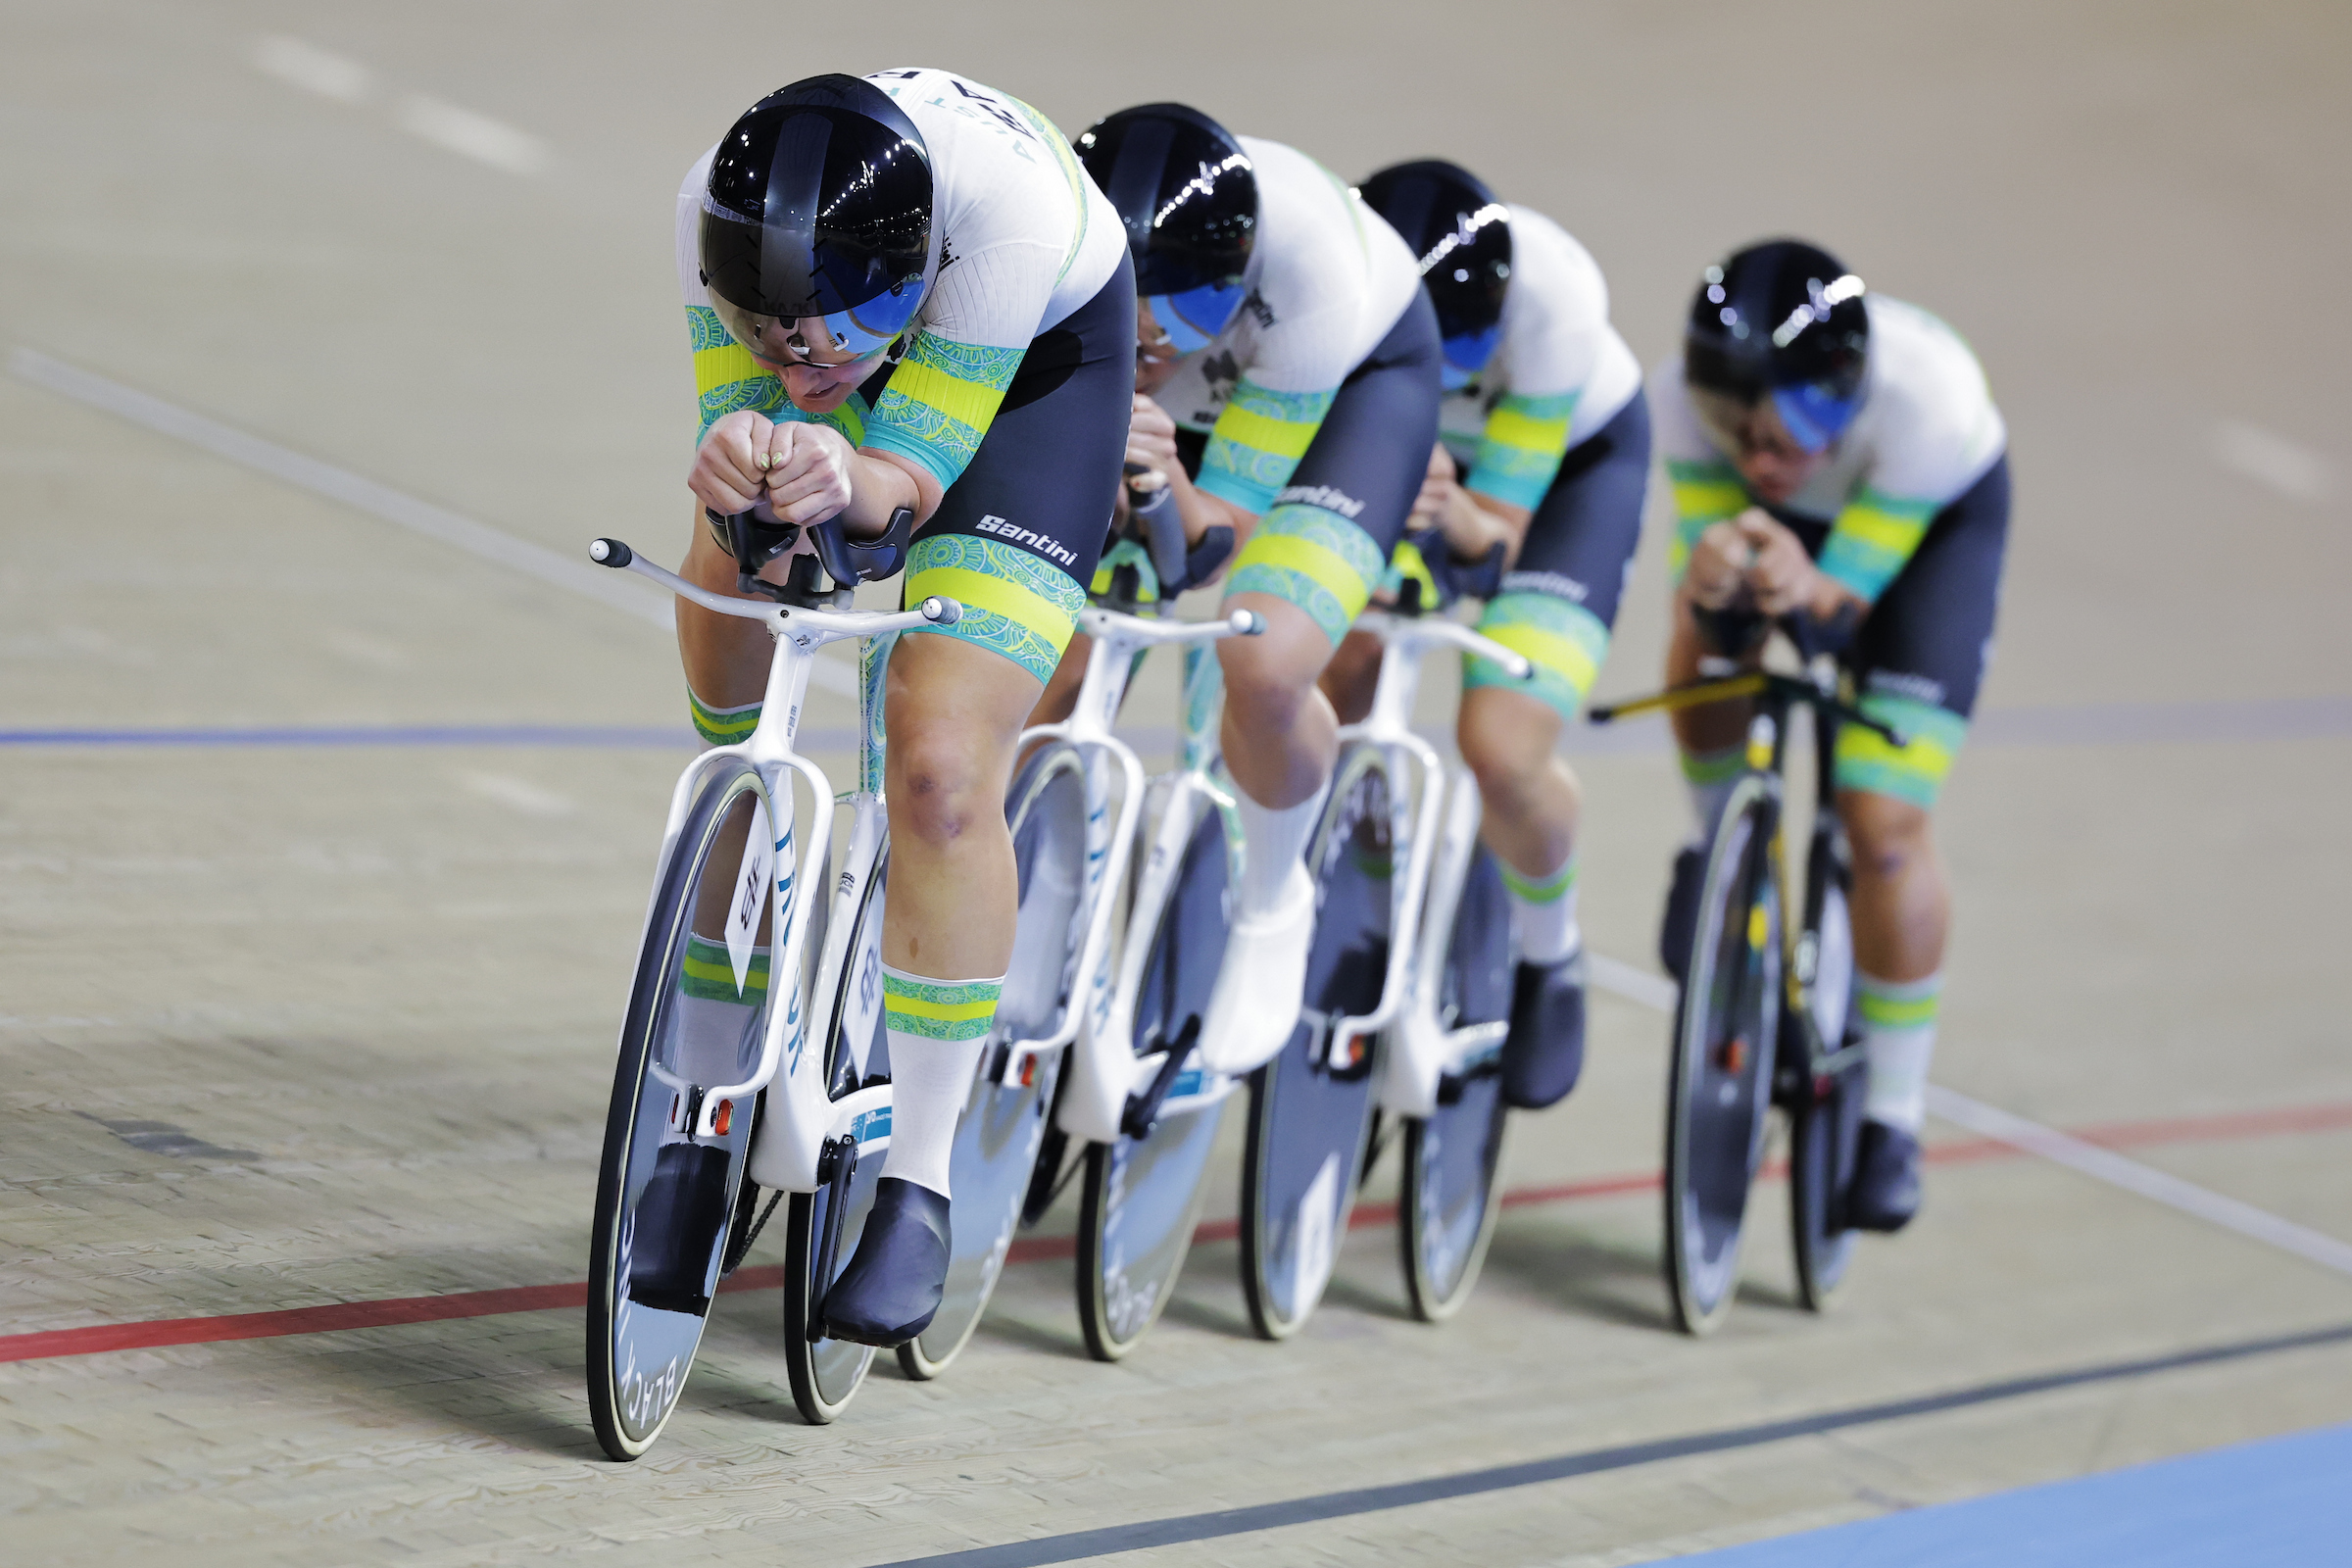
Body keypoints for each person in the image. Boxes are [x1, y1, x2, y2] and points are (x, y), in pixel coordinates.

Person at [675, 69, 1131, 1345]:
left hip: (1035, 378)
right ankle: (702, 1049)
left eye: (835, 325)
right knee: (737, 554)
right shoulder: (711, 210)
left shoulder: (1014, 228)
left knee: (934, 759)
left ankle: (923, 1181)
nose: (796, 357)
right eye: (765, 326)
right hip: (859, 313)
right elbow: (753, 467)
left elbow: (905, 490)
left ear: (915, 268)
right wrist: (747, 461)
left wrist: (848, 464)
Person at [1074, 103, 1438, 1071]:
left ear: (1237, 283)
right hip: (1190, 406)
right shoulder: (1060, 238)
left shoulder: (1311, 275)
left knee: (1263, 657)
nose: (1156, 337)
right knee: (1044, 637)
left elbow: (1213, 546)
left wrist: (1164, 480)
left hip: (1351, 393)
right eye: (1130, 308)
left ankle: (1276, 897)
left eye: (1186, 312)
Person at [1655, 239, 2009, 1231]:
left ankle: (1894, 1113)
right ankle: (1714, 844)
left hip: (1926, 535)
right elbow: (1720, 599)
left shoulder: (1928, 404)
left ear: (1846, 391)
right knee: (1703, 623)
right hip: (1793, 533)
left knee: (1883, 821)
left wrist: (1798, 587)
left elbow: (1833, 613)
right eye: (1741, 432)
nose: (1763, 458)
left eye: (1794, 427)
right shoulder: (1678, 403)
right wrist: (1728, 572)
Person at [1339, 160, 1649, 1110]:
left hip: (1562, 481)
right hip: (1409, 443)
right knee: (1331, 656)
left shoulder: (1557, 306)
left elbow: (1490, 548)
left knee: (1502, 743)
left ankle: (1550, 955)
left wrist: (1443, 507)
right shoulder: (1342, 280)